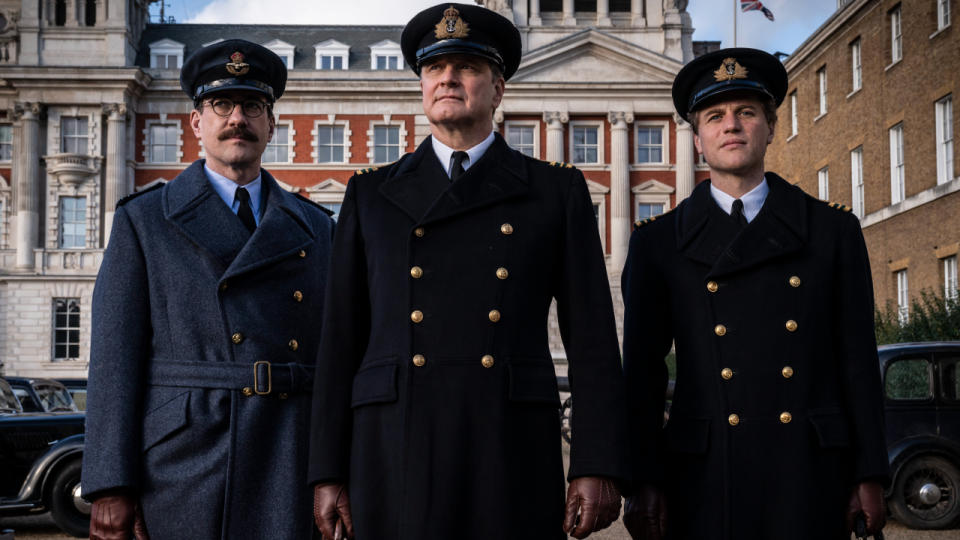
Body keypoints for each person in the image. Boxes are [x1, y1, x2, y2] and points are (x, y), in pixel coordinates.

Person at [307, 4, 627, 539]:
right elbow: (341, 338)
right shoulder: (371, 193)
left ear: (498, 89)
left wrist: (596, 461)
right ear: (422, 87)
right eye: (435, 68)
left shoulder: (555, 191)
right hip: (394, 443)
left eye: (468, 67)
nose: (448, 78)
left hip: (507, 443)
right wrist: (327, 470)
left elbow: (593, 340)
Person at [620, 47, 889, 540]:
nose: (732, 126)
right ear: (698, 140)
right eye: (715, 116)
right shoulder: (657, 243)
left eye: (746, 113)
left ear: (769, 126)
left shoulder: (832, 231)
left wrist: (869, 472)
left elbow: (857, 359)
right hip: (703, 473)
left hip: (807, 471)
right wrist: (644, 478)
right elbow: (642, 374)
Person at [81, 39, 335, 540]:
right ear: (197, 122)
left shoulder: (316, 225)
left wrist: (333, 471)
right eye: (222, 105)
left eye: (253, 106)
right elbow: (113, 357)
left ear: (271, 124)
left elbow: (335, 358)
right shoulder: (144, 219)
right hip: (185, 457)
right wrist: (110, 484)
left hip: (288, 448)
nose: (237, 118)